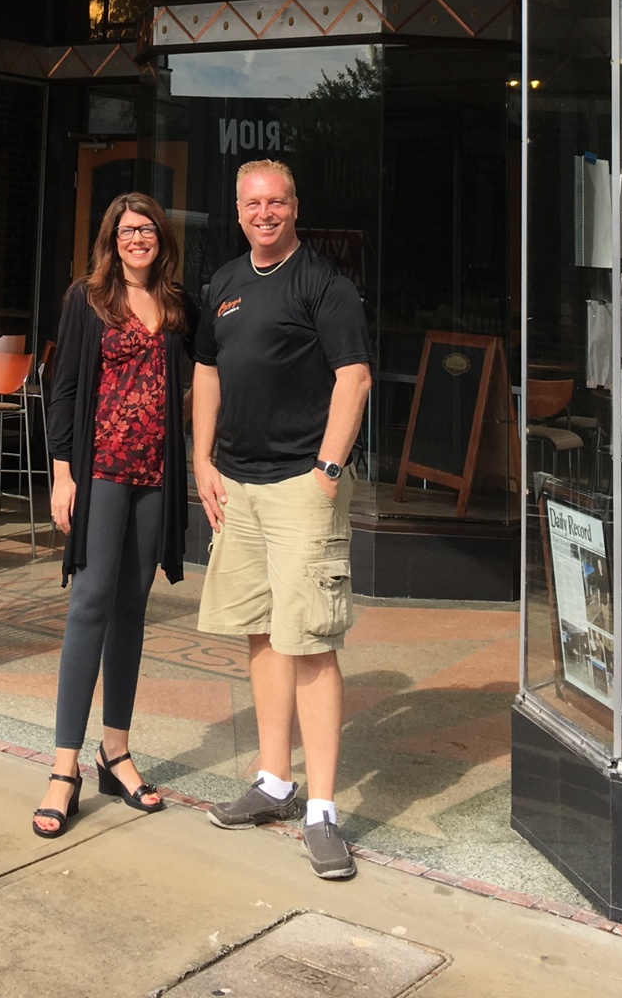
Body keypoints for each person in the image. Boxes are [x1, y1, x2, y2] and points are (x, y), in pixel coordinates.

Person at [192, 160, 372, 880]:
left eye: (277, 201)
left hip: (303, 484)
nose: (264, 212)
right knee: (261, 633)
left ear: (296, 207)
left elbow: (352, 376)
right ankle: (273, 781)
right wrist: (201, 460)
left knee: (311, 642)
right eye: (252, 203)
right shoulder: (224, 285)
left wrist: (328, 469)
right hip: (236, 485)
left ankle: (322, 810)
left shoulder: (326, 285)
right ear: (237, 211)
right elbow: (206, 371)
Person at [33, 192, 194, 838]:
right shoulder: (88, 300)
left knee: (133, 605)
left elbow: (205, 375)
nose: (138, 239)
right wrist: (62, 472)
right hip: (100, 473)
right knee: (91, 602)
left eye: (148, 229)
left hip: (155, 477)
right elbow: (64, 386)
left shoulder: (180, 306)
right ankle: (64, 768)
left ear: (161, 238)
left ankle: (116, 752)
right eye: (128, 230)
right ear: (112, 238)